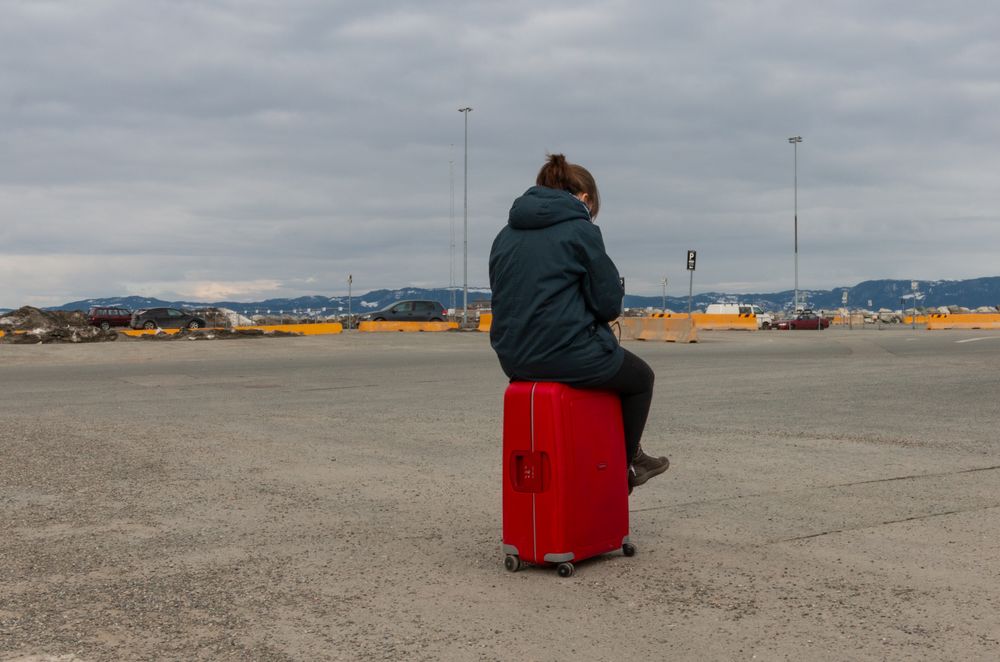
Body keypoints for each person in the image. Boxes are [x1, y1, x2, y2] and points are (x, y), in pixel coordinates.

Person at [488, 153, 669, 493]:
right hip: (564, 353)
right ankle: (627, 463)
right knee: (640, 378)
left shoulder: (504, 235)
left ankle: (617, 458)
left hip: (513, 358)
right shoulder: (580, 230)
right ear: (585, 198)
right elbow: (608, 304)